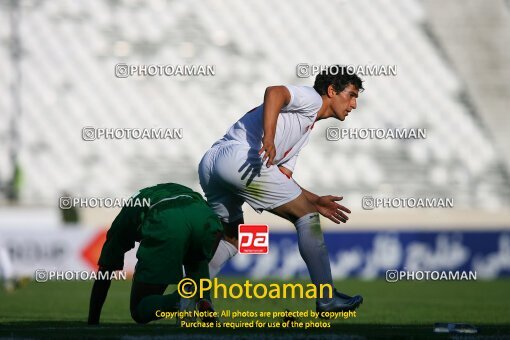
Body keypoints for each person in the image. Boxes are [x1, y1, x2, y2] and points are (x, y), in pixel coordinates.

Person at [198, 65, 364, 314]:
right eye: (351, 95)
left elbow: (282, 178)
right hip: (241, 156)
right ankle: (327, 299)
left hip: (212, 164)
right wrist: (269, 138)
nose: (353, 105)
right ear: (331, 91)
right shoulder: (311, 99)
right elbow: (274, 92)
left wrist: (315, 199)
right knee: (307, 217)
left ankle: (192, 298)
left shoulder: (303, 131)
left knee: (231, 237)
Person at [87, 183, 223, 324]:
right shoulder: (175, 190)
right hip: (203, 216)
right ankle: (203, 299)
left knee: (139, 310)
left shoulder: (124, 218)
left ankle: (180, 300)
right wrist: (201, 261)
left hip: (166, 220)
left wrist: (93, 320)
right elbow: (216, 228)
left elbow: (105, 271)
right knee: (196, 258)